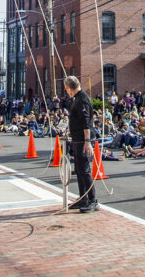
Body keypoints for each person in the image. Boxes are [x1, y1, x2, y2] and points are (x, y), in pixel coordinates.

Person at [63, 75, 98, 213]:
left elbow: (86, 121)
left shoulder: (82, 99)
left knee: (85, 170)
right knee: (79, 170)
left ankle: (92, 199)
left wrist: (87, 142)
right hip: (77, 139)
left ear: (70, 88)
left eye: (66, 88)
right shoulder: (76, 99)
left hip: (83, 140)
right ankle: (83, 198)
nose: (66, 91)